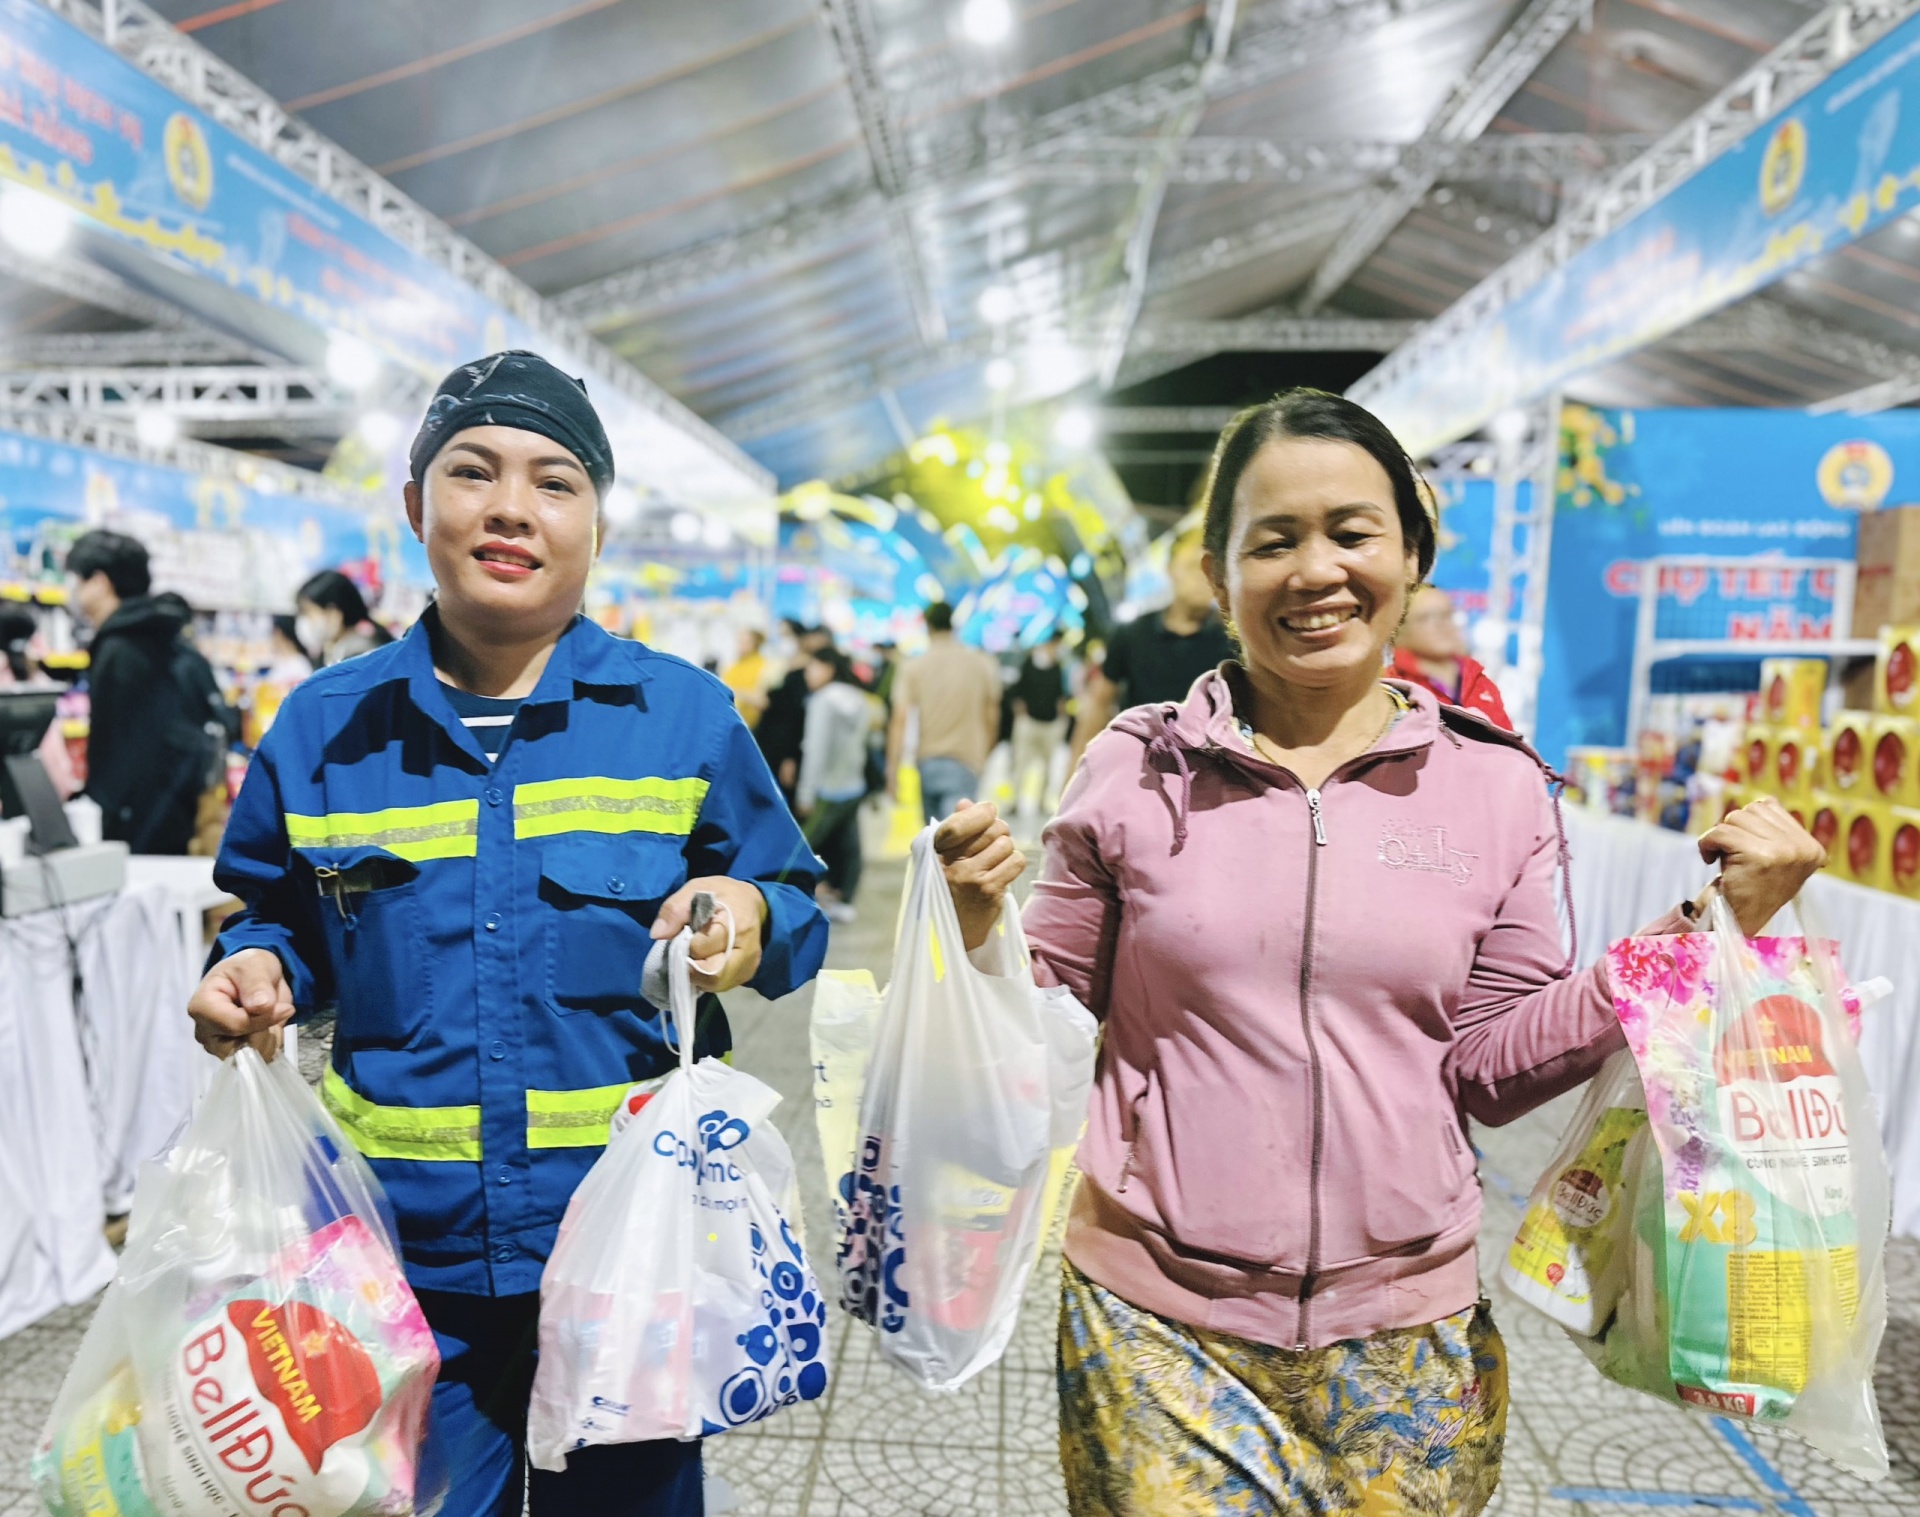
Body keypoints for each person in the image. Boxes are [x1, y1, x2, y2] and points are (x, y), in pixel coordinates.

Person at [932, 388, 1823, 1516]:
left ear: (1413, 553)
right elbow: (1040, 1021)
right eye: (1274, 540)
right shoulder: (1133, 766)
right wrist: (972, 925)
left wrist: (1701, 936)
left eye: (1352, 531)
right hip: (1155, 1327)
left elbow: (1495, 1068)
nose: (1316, 570)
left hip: (1411, 1337)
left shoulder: (1498, 787)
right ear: (1218, 572)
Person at [186, 350, 829, 1517]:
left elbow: (791, 905)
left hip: (627, 1249)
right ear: (415, 505)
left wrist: (746, 917)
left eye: (555, 480)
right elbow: (272, 914)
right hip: (402, 1260)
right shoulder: (327, 728)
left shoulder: (682, 715)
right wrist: (252, 963)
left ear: (595, 519)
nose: (510, 507)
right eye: (472, 470)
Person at [66, 529, 231, 854]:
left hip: (137, 825)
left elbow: (116, 748)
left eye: (76, 580)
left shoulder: (120, 648)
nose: (71, 590)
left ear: (99, 582)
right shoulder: (164, 636)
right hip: (174, 809)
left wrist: (104, 816)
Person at [1071, 528, 1235, 763]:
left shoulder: (1232, 643)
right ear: (1170, 570)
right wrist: (1076, 774)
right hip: (1136, 769)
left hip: (1204, 777)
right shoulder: (1132, 633)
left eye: (1212, 569)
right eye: (1191, 566)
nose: (1202, 577)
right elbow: (1100, 702)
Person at [887, 601, 1000, 823]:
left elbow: (899, 720)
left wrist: (892, 772)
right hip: (967, 760)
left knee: (933, 842)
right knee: (958, 843)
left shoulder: (914, 666)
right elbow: (992, 716)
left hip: (928, 760)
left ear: (927, 627)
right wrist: (984, 756)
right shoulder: (982, 663)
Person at [796, 644, 876, 923]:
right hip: (853, 784)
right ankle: (846, 899)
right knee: (851, 845)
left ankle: (792, 898)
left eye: (812, 666)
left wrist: (805, 792)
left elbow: (815, 750)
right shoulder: (859, 698)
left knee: (803, 846)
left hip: (827, 789)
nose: (807, 673)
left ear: (827, 668)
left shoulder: (822, 701)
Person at [1392, 583, 1512, 730]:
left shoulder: (1480, 682)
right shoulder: (1393, 685)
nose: (1442, 624)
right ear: (1399, 631)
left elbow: (1511, 746)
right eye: (1427, 617)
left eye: (1447, 614)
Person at [757, 622, 831, 804]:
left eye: (788, 635)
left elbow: (797, 719)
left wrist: (790, 758)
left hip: (787, 748)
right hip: (770, 741)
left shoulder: (808, 675)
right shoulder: (784, 666)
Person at [1008, 630, 1069, 822]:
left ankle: (1042, 802)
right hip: (1029, 721)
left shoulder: (1057, 667)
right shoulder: (1030, 662)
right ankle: (1015, 801)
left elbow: (1061, 693)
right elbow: (1018, 689)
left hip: (1050, 723)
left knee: (1048, 766)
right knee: (1020, 764)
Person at [297, 566, 393, 667]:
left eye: (308, 613)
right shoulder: (334, 650)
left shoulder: (360, 653)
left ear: (334, 614)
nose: (305, 621)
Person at [721, 625, 771, 728]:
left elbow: (762, 701)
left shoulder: (764, 666)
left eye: (746, 642)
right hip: (732, 723)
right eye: (739, 642)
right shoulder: (732, 668)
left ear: (755, 644)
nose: (741, 646)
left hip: (756, 726)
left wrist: (737, 692)